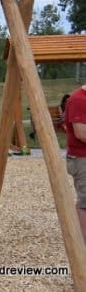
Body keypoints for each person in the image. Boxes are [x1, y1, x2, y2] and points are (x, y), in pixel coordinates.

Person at [64, 84, 86, 245]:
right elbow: (81, 133)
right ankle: (82, 243)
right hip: (82, 159)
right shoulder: (78, 100)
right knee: (85, 202)